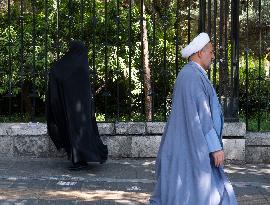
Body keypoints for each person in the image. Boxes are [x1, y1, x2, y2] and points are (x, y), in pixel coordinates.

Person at [149, 33, 238, 205]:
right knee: (205, 191)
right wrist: (215, 147)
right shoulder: (193, 76)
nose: (213, 56)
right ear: (200, 53)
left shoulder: (188, 74)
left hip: (186, 143)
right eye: (211, 52)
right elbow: (203, 115)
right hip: (196, 145)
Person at [46, 41, 108, 170]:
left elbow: (57, 71)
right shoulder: (81, 65)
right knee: (82, 131)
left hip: (70, 106)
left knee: (73, 130)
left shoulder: (68, 64)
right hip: (83, 108)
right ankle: (81, 159)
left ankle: (79, 161)